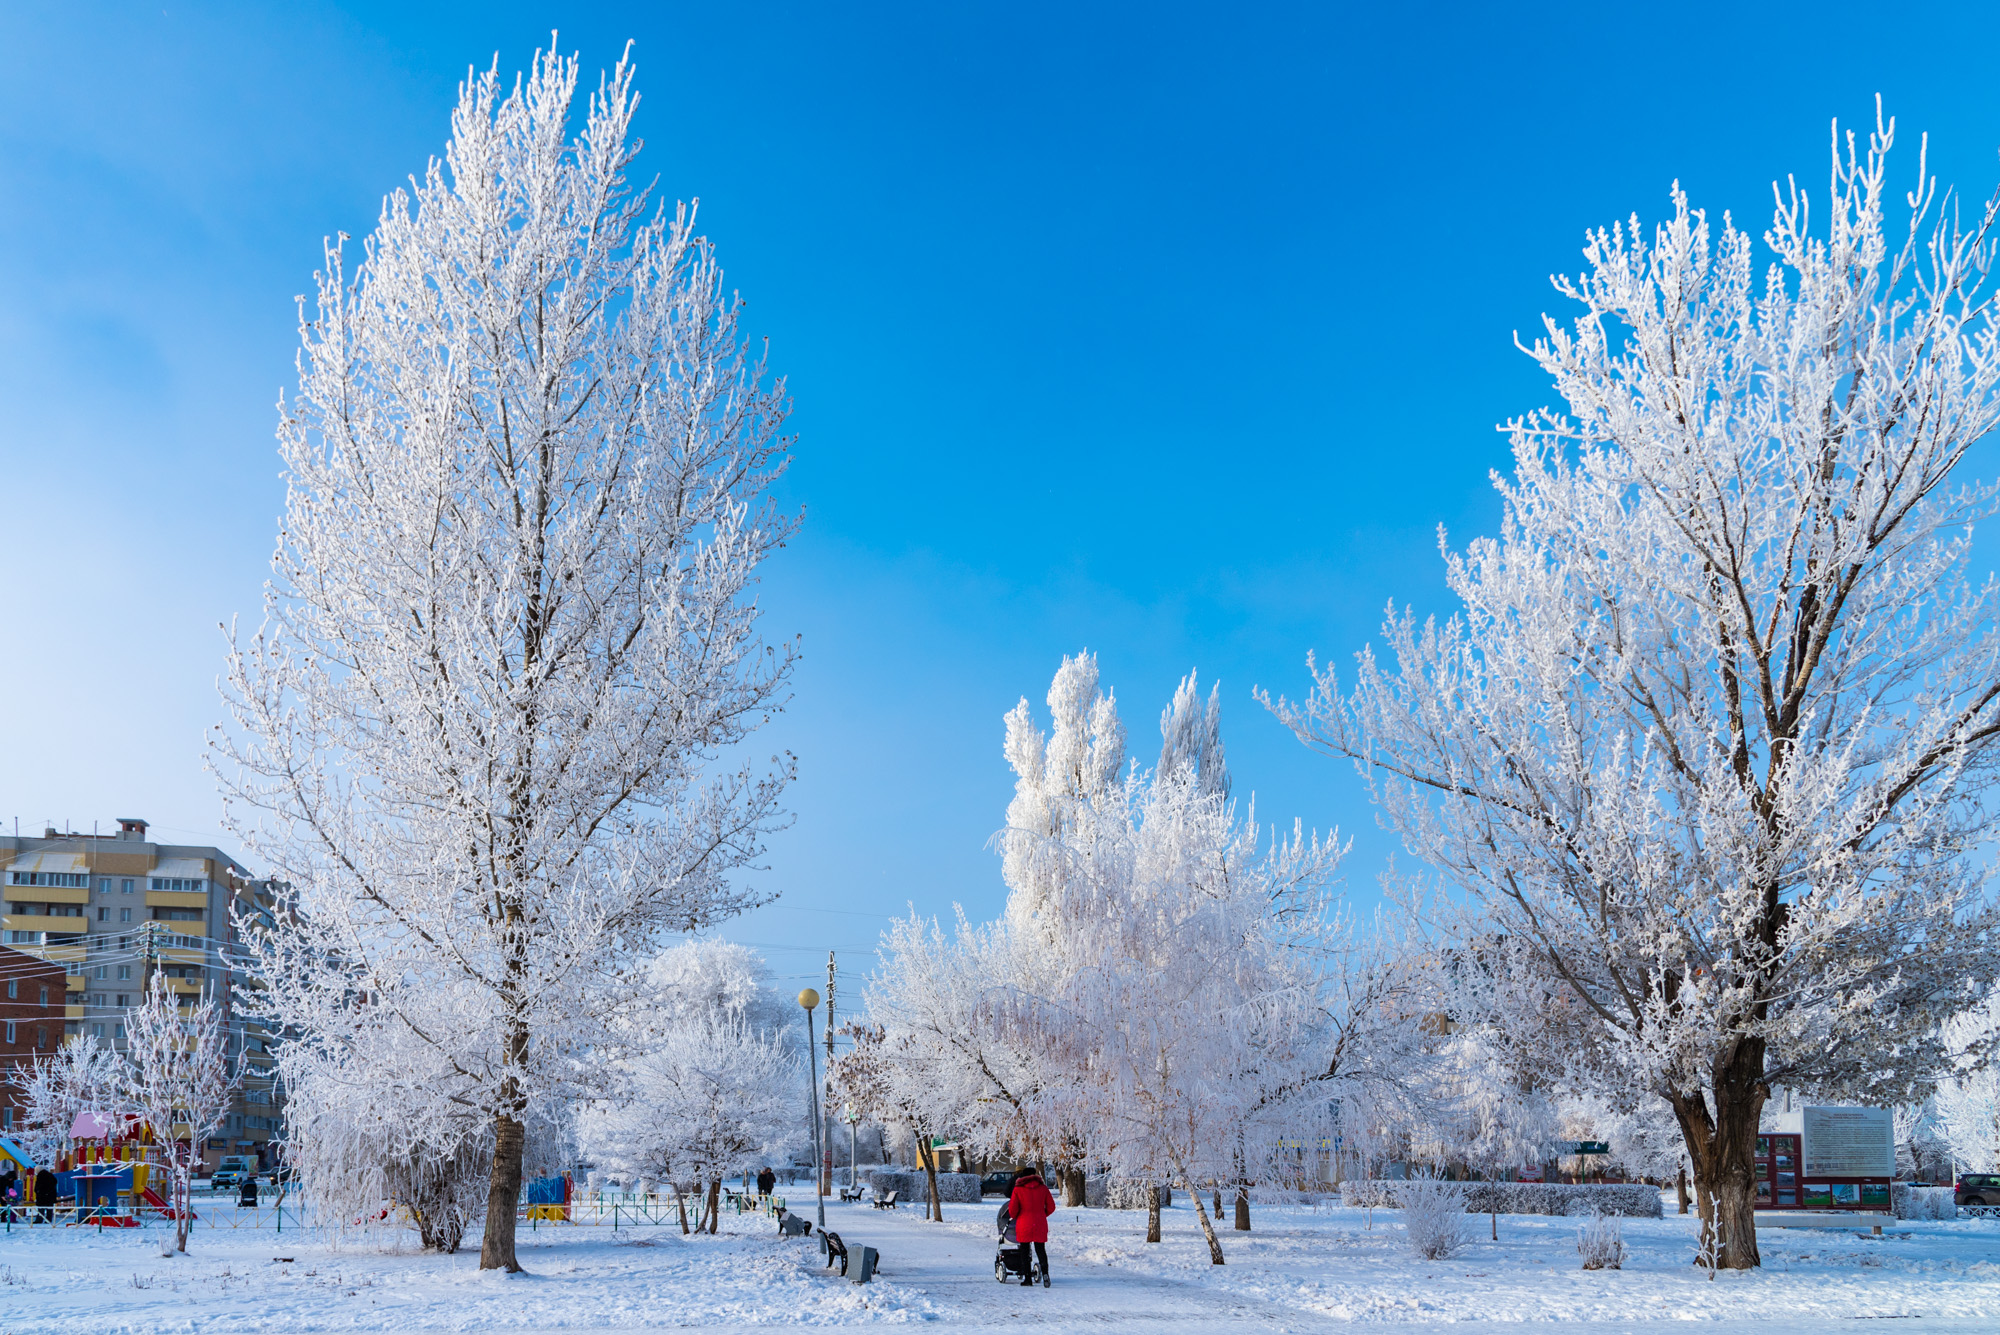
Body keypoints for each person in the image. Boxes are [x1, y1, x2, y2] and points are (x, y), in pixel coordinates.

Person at [1005, 1167, 1055, 1286]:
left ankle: (1027, 1278)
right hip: (1039, 1222)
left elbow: (1012, 1210)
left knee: (1025, 1251)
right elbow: (1051, 1206)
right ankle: (1045, 1274)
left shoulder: (1018, 1189)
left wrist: (1017, 1216)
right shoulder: (1043, 1188)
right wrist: (1043, 1214)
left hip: (1024, 1223)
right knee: (1041, 1250)